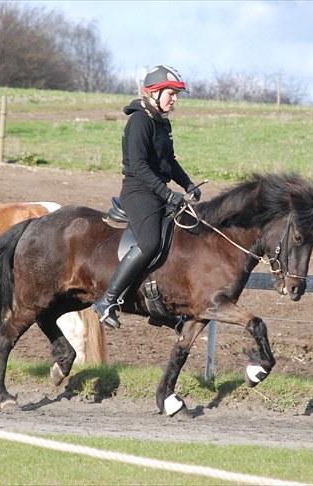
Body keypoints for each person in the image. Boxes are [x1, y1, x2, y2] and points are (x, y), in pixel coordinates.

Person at [92, 65, 201, 329]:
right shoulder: (139, 121)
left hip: (158, 191)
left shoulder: (162, 122)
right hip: (139, 192)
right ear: (153, 93)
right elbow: (139, 167)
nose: (174, 99)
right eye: (170, 93)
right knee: (151, 242)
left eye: (176, 95)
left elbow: (169, 161)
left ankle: (159, 305)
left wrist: (188, 184)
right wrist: (167, 193)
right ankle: (108, 300)